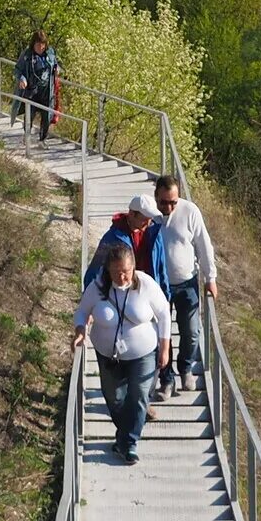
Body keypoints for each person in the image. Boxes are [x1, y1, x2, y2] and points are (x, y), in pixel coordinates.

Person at [72, 239, 171, 463]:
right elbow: (81, 312)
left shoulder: (145, 284)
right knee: (115, 399)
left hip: (143, 353)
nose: (122, 277)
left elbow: (164, 313)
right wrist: (80, 331)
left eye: (126, 271)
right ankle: (124, 436)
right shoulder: (97, 287)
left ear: (133, 268)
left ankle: (129, 443)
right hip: (108, 355)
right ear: (108, 270)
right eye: (116, 272)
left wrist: (165, 348)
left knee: (138, 396)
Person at [149, 173, 218, 397]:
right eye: (163, 202)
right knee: (162, 334)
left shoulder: (190, 211)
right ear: (155, 196)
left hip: (187, 282)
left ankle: (186, 368)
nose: (168, 206)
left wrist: (210, 278)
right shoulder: (149, 215)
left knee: (192, 332)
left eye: (173, 202)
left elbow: (203, 245)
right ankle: (166, 380)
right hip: (158, 285)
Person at [85, 192, 158, 288]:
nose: (148, 223)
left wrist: (165, 296)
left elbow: (160, 267)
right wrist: (89, 295)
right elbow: (96, 269)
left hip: (147, 290)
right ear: (131, 214)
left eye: (150, 219)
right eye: (144, 219)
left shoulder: (154, 233)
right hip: (120, 291)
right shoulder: (112, 238)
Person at [14, 29, 61, 143]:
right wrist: (22, 79)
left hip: (46, 91)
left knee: (47, 116)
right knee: (29, 114)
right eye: (38, 44)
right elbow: (18, 69)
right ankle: (27, 136)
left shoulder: (50, 53)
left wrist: (57, 69)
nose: (40, 47)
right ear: (33, 44)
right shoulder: (27, 55)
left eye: (43, 45)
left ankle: (42, 140)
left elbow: (56, 64)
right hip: (31, 91)